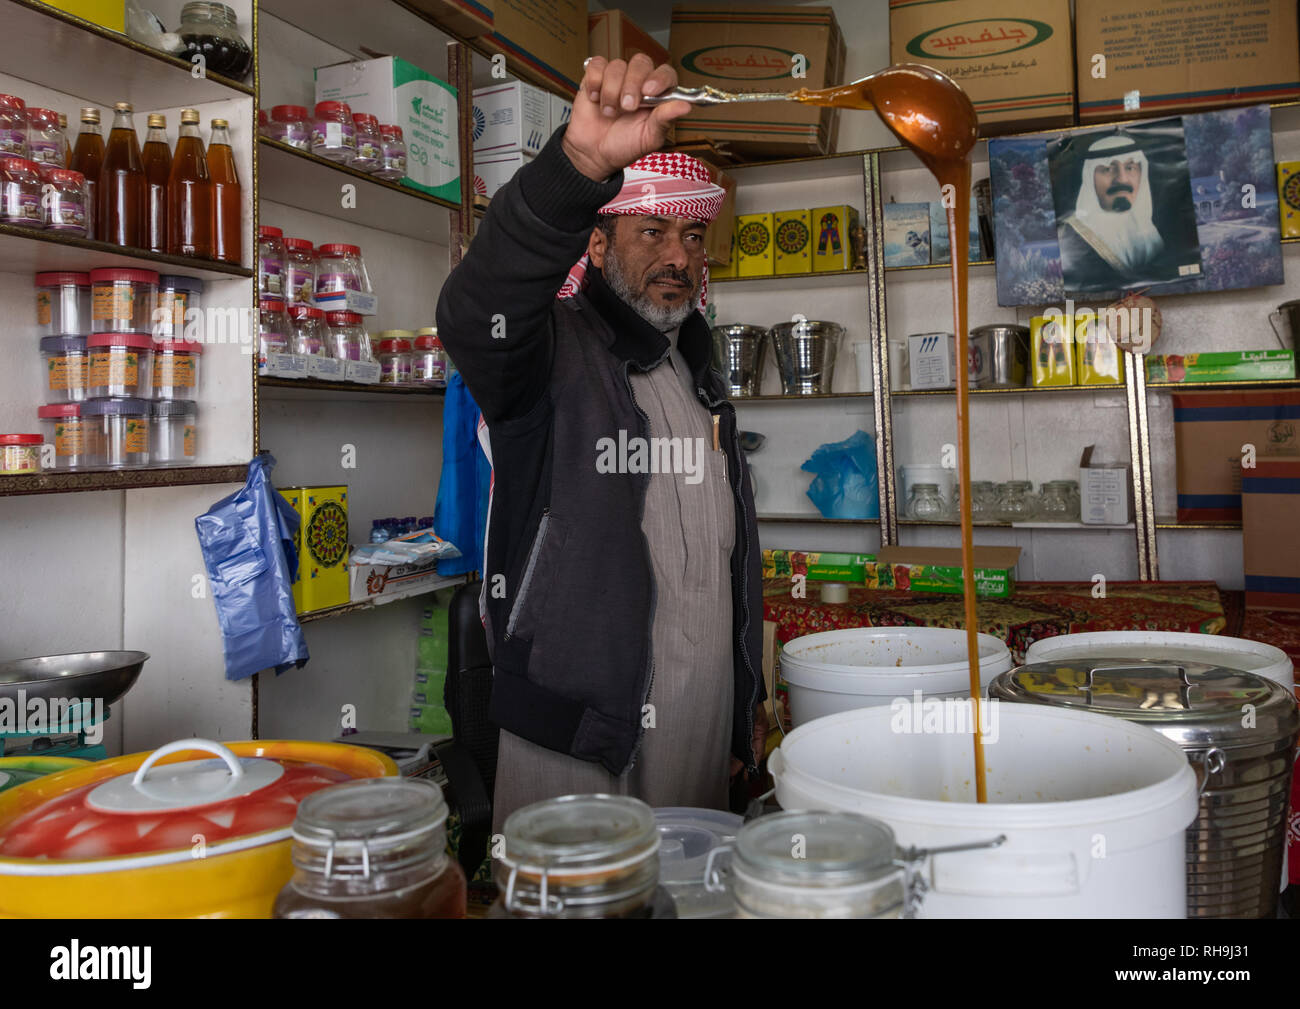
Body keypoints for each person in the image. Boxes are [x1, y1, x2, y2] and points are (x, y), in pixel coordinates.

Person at [436, 54, 767, 834]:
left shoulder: (701, 369)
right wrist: (579, 165)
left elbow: (727, 556)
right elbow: (475, 305)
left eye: (692, 235)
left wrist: (743, 707)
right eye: (652, 231)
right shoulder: (546, 353)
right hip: (576, 734)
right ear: (595, 245)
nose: (679, 256)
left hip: (698, 720)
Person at [1056, 133, 1181, 291]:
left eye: (1130, 167)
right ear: (1089, 177)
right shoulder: (1071, 238)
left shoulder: (1150, 234)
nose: (1122, 179)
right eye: (1108, 169)